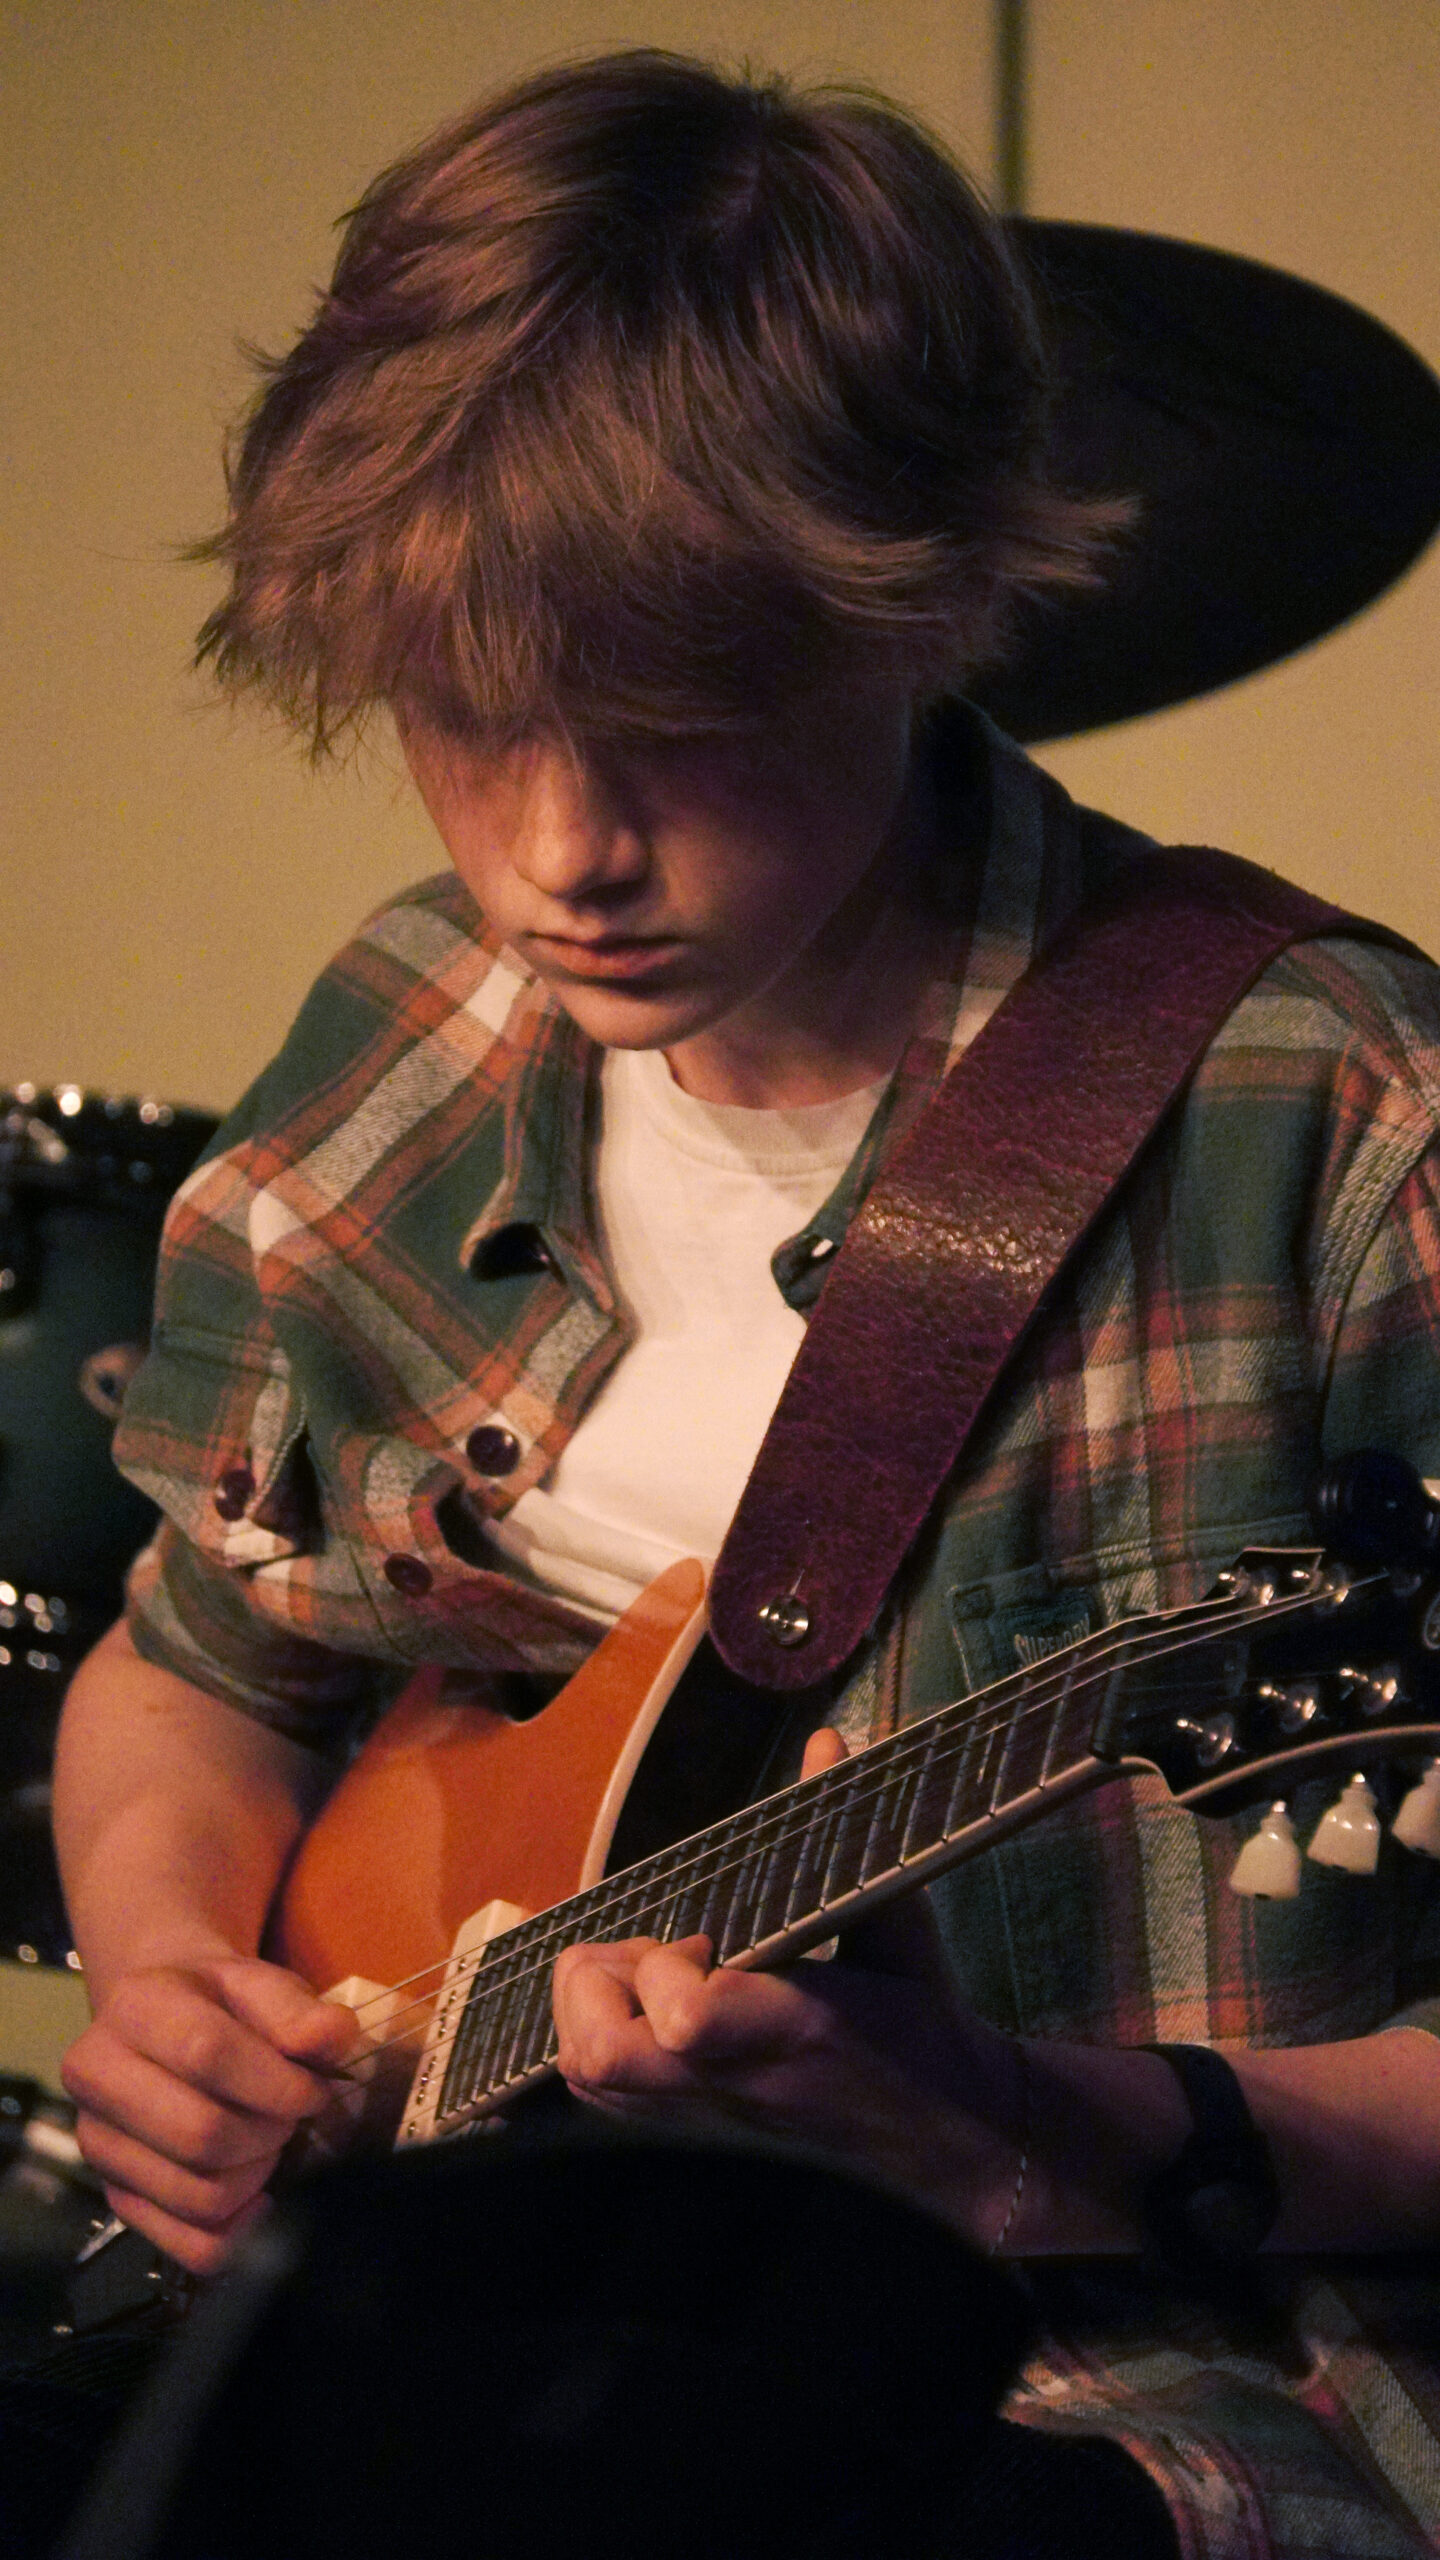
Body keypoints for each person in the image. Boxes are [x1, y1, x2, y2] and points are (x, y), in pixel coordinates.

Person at [46, 50, 1440, 2559]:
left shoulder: (1339, 1117)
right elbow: (194, 1663)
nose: (562, 851)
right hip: (480, 2307)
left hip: (1141, 2392)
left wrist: (1039, 2133)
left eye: (685, 722)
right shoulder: (423, 1020)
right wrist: (168, 1986)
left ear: (930, 607)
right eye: (477, 718)